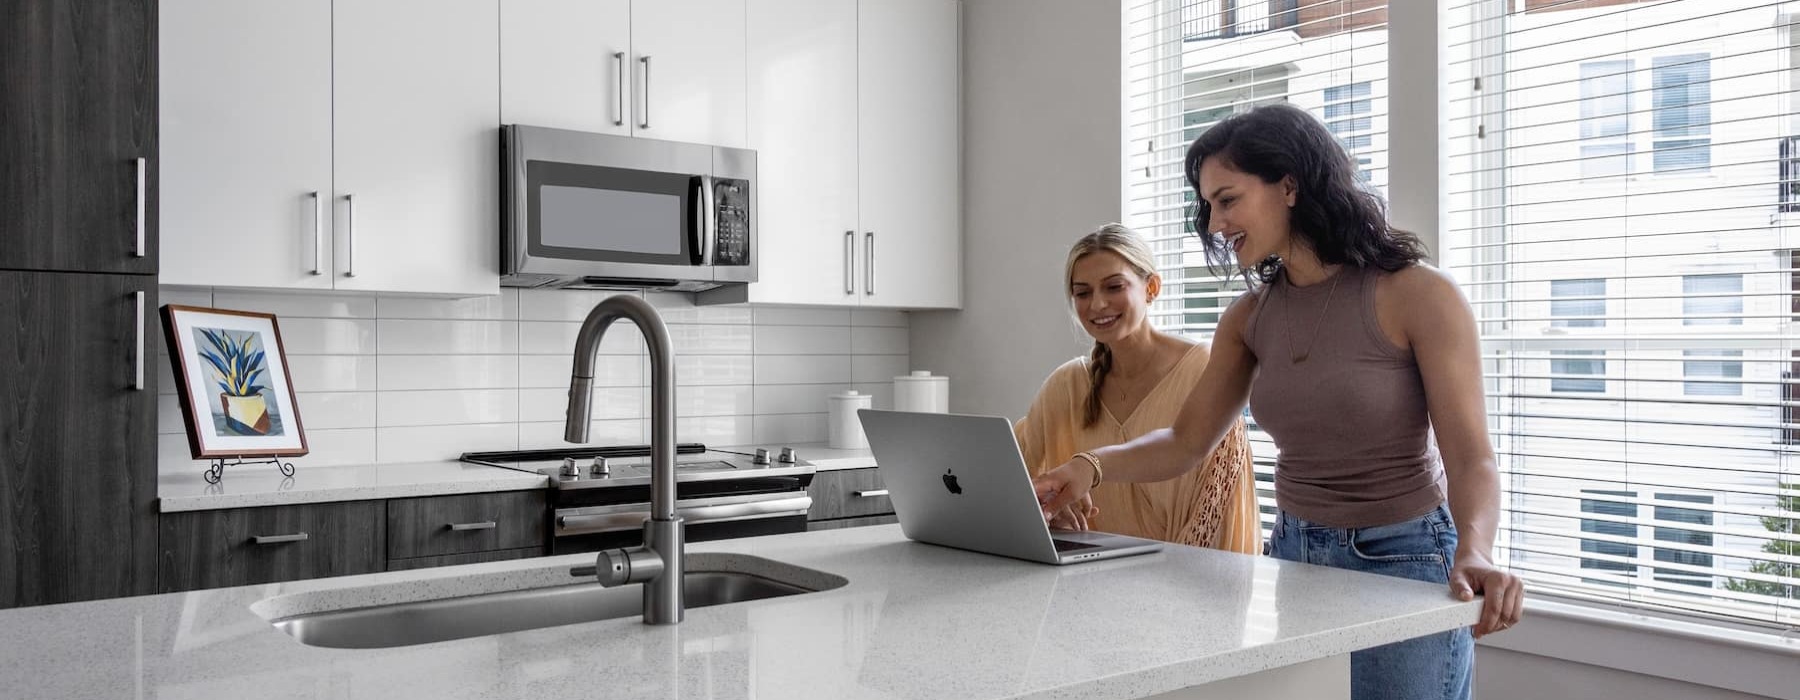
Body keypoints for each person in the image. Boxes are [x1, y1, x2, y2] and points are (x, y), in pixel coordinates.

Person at [1032, 103, 1523, 700]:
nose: (1213, 223)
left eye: (1228, 199)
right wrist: (1092, 465)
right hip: (1295, 555)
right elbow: (1187, 441)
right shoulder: (1248, 317)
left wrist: (1476, 549)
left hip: (1405, 562)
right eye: (1208, 205)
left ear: (1289, 184)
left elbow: (1472, 459)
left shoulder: (1418, 294)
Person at [1013, 225, 1259, 552]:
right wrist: (1048, 509)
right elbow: (1009, 481)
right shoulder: (1067, 385)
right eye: (1083, 292)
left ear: (1152, 287)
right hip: (1090, 585)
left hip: (1189, 586)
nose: (1097, 304)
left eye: (1114, 287)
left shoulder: (1204, 368)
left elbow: (1226, 506)